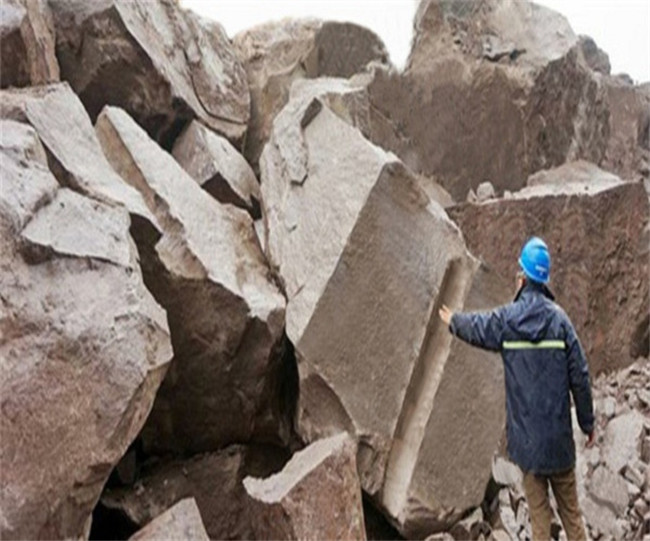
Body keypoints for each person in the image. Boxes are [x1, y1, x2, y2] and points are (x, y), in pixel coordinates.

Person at [438, 237, 594, 541]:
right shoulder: (560, 322)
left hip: (528, 445)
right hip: (559, 445)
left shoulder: (507, 321)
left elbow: (478, 327)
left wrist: (453, 321)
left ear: (523, 277)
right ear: (544, 279)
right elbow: (581, 377)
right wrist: (587, 423)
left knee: (539, 520)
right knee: (572, 517)